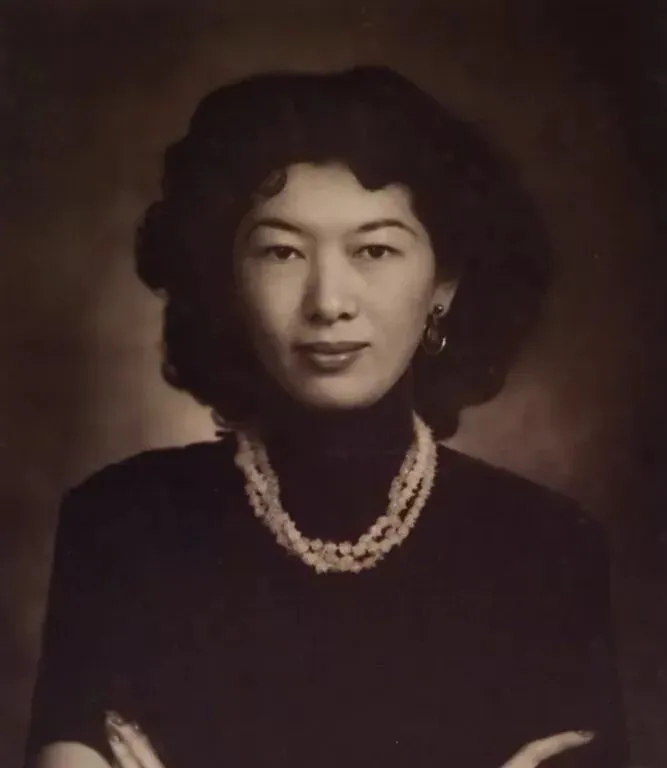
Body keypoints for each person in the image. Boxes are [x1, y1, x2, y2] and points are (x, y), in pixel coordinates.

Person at [24, 66, 628, 768]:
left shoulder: (551, 550)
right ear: (228, 281)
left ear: (445, 285)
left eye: (375, 250)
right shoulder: (117, 525)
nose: (328, 301)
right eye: (282, 251)